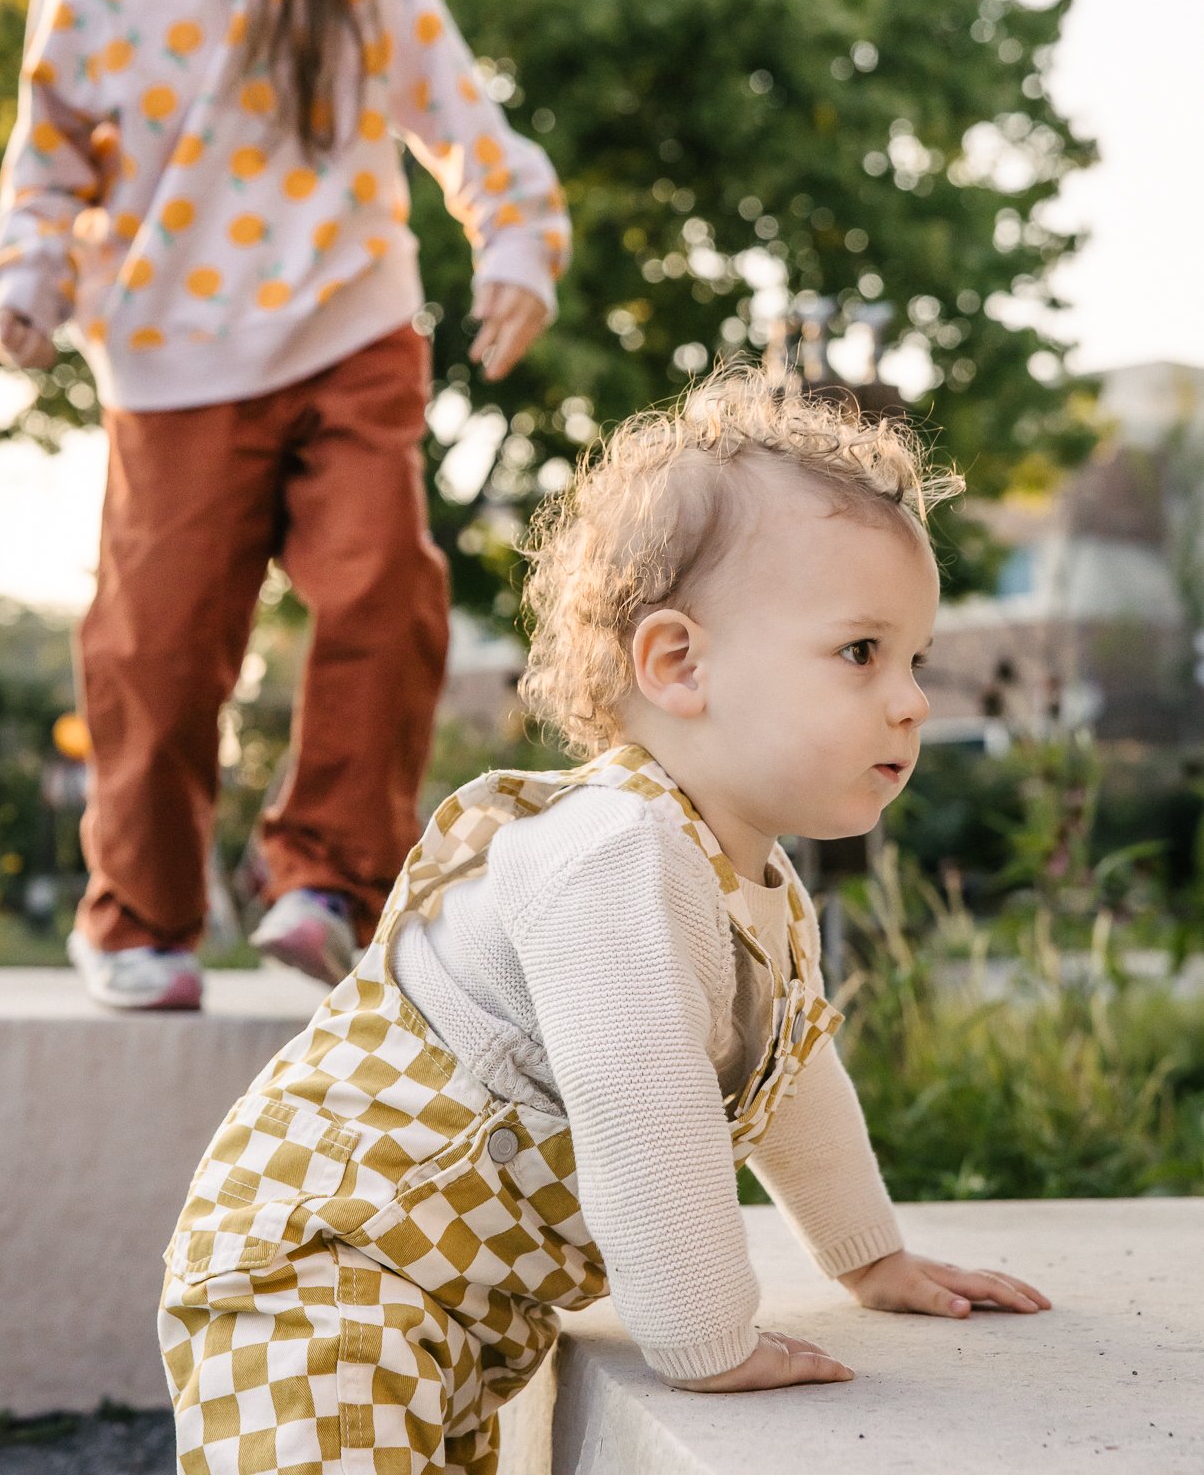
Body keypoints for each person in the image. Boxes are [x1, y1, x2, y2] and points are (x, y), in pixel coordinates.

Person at [158, 366, 1051, 1473]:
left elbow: (781, 1077)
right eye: (861, 650)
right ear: (678, 662)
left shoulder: (745, 875)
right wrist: (707, 1339)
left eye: (917, 657)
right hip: (320, 1275)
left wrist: (871, 1259)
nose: (913, 698)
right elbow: (647, 1105)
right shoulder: (615, 854)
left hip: (448, 1298)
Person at [0, 0, 569, 1011]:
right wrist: (27, 276)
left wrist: (516, 237)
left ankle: (324, 878)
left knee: (384, 585)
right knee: (158, 650)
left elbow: (450, 101)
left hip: (347, 323)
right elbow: (49, 159)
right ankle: (140, 918)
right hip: (171, 358)